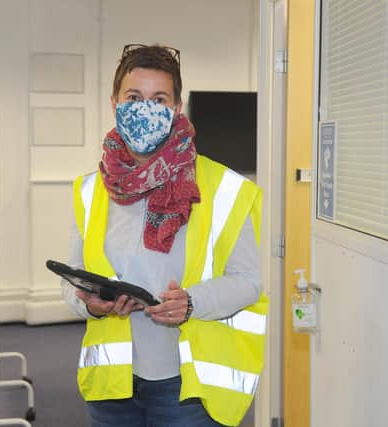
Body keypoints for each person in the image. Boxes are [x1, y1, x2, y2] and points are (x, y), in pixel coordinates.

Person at [61, 44, 267, 427]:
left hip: (188, 389)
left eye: (159, 98)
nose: (145, 108)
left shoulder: (223, 187)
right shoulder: (89, 190)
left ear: (176, 107)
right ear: (114, 102)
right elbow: (72, 280)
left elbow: (250, 282)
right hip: (113, 389)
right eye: (134, 97)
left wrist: (191, 302)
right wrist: (92, 305)